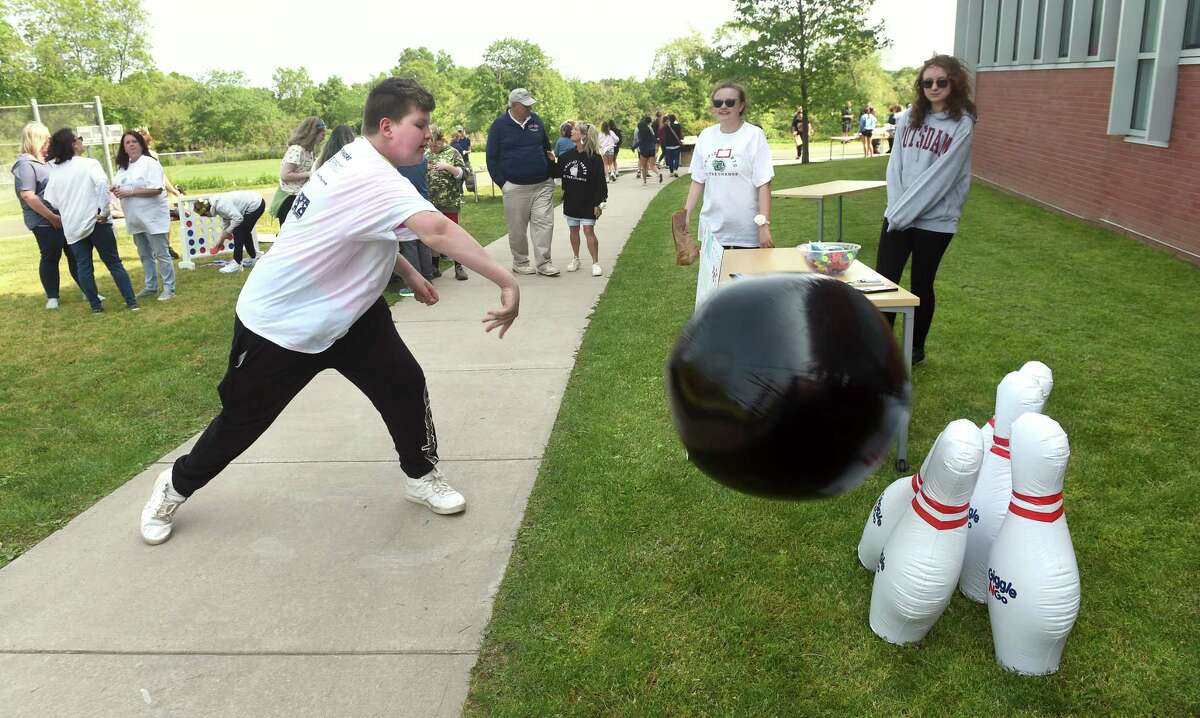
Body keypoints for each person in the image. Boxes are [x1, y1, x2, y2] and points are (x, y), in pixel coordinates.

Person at [138, 77, 520, 546]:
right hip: (283, 324)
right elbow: (437, 230)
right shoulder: (368, 173)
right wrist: (506, 280)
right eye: (420, 124)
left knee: (404, 384)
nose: (428, 133)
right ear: (387, 126)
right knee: (242, 422)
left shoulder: (358, 158)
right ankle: (173, 488)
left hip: (353, 317)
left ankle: (420, 477)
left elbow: (359, 228)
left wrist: (407, 272)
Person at [875, 55, 976, 366]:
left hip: (936, 221)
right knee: (884, 281)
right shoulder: (908, 118)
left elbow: (942, 178)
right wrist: (897, 209)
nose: (933, 87)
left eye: (941, 82)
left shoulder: (962, 125)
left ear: (954, 83)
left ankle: (914, 349)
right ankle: (880, 350)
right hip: (898, 214)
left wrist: (904, 213)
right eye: (927, 82)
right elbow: (896, 167)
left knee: (921, 283)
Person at [43, 129, 139, 313]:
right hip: (97, 222)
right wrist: (103, 210)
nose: (80, 141)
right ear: (72, 144)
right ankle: (131, 301)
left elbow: (51, 200)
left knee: (84, 266)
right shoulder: (89, 164)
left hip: (73, 226)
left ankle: (96, 306)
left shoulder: (55, 172)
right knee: (113, 263)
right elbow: (102, 184)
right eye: (78, 138)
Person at [683, 81, 774, 251]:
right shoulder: (705, 136)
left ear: (741, 106)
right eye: (718, 103)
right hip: (713, 231)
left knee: (745, 278)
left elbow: (764, 184)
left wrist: (764, 225)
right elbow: (697, 181)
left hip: (746, 231)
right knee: (716, 279)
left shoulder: (754, 135)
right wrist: (686, 214)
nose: (723, 106)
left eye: (730, 102)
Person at [486, 88, 558, 276]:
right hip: (515, 187)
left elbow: (546, 149)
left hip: (542, 184)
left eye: (530, 104)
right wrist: (503, 183)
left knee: (544, 224)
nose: (529, 108)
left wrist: (550, 174)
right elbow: (491, 158)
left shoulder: (536, 121)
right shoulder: (499, 125)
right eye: (526, 105)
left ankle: (544, 263)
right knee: (517, 228)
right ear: (515, 105)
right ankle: (520, 261)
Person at [12, 121, 81, 310]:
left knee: (75, 254)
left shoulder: (48, 161)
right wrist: (51, 217)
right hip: (43, 222)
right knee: (51, 256)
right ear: (36, 139)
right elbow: (28, 195)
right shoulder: (25, 164)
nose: (49, 142)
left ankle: (88, 289)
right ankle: (53, 296)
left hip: (63, 217)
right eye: (46, 138)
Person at [113, 130, 176, 301]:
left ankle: (169, 288)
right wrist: (116, 190)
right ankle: (151, 286)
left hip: (152, 217)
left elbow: (156, 189)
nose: (131, 145)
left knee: (161, 253)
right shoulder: (123, 167)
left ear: (141, 144)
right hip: (135, 218)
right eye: (127, 142)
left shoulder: (150, 163)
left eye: (134, 141)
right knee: (144, 254)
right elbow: (119, 186)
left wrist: (131, 191)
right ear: (123, 148)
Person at [556, 122, 608, 277]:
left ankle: (595, 262)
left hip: (588, 202)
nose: (572, 131)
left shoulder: (595, 158)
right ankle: (576, 258)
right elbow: (556, 172)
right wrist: (549, 159)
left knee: (588, 230)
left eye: (576, 130)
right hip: (571, 200)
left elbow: (601, 183)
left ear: (583, 136)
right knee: (573, 230)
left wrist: (600, 203)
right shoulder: (566, 156)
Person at [425, 123, 470, 280]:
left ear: (441, 140)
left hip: (449, 201)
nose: (432, 147)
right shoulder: (425, 154)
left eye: (435, 144)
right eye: (429, 144)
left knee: (452, 235)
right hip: (430, 203)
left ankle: (458, 266)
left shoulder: (453, 152)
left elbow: (464, 173)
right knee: (434, 235)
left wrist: (448, 167)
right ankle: (435, 266)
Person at [134, 127, 183, 259]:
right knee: (146, 224)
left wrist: (173, 190)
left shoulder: (154, 155)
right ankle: (150, 250)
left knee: (165, 221)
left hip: (159, 195)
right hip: (143, 196)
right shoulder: (132, 158)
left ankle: (166, 247)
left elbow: (161, 175)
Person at [193, 191, 266, 274]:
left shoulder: (221, 206)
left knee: (239, 230)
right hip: (255, 201)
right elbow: (226, 220)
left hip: (256, 204)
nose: (206, 216)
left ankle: (237, 264)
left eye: (204, 215)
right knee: (244, 231)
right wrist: (221, 241)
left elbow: (238, 219)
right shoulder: (217, 205)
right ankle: (254, 257)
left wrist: (228, 232)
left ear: (206, 210)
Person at [272, 116, 326, 226]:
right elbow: (285, 175)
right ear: (313, 133)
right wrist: (309, 174)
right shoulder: (297, 150)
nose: (323, 137)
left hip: (299, 196)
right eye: (322, 134)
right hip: (288, 198)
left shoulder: (309, 151)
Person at [636, 115, 660, 184]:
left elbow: (637, 140)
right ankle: (658, 174)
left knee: (644, 166)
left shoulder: (638, 131)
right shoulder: (650, 129)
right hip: (651, 149)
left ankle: (644, 181)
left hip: (643, 150)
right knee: (652, 165)